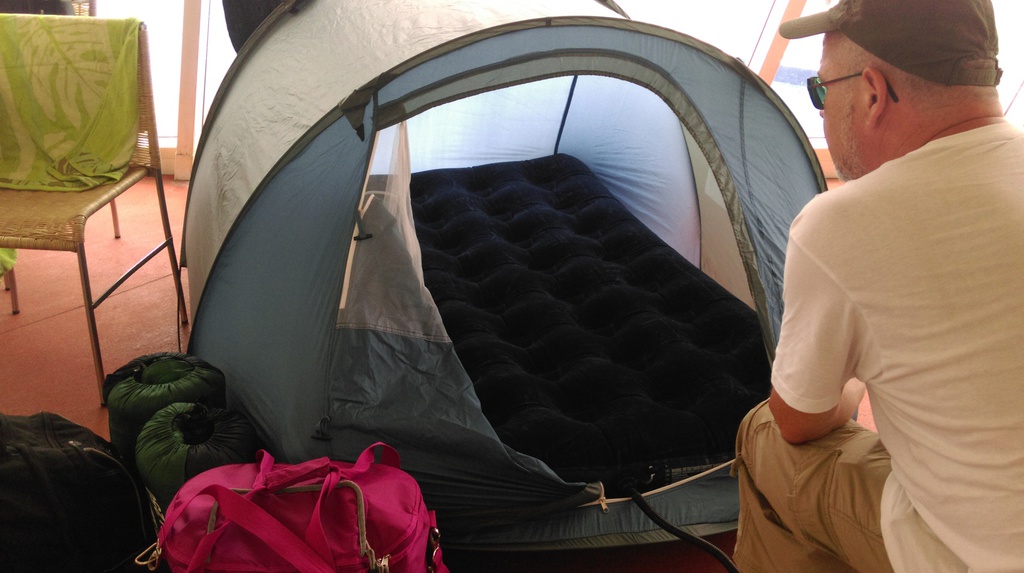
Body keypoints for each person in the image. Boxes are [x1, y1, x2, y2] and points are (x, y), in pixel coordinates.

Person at [730, 0, 1024, 571]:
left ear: (872, 92)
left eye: (820, 89)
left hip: (972, 558)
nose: (821, 108)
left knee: (764, 433)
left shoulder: (843, 224)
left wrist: (858, 378)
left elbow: (799, 420)